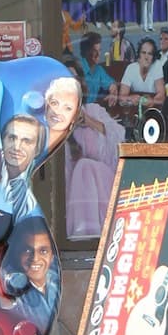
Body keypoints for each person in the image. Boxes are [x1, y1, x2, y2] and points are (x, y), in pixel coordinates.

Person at [65, 101, 125, 239]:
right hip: (75, 186)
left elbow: (118, 135)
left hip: (103, 178)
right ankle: (83, 231)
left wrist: (88, 121)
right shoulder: (59, 121)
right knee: (82, 167)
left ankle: (88, 231)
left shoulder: (93, 110)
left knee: (85, 166)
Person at [0, 216, 60, 330]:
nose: (35, 258)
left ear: (52, 255)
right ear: (16, 253)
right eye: (27, 250)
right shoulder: (8, 287)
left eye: (43, 251)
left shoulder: (56, 280)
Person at [0, 113, 46, 218]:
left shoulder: (30, 200)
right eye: (12, 138)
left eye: (27, 141)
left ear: (37, 150)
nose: (17, 147)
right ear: (2, 140)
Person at [119, 36, 166, 111]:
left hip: (152, 109)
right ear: (139, 55)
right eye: (143, 53)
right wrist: (130, 98)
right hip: (134, 109)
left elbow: (161, 95)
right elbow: (122, 96)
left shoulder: (157, 65)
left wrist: (153, 101)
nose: (146, 57)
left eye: (150, 54)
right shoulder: (131, 68)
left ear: (153, 57)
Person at [42, 72, 83, 152]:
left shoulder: (75, 148)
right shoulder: (29, 138)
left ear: (75, 115)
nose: (58, 111)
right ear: (46, 106)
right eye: (54, 103)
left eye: (68, 108)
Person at [78, 33, 117, 107]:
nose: (98, 54)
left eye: (99, 50)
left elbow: (112, 85)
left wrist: (113, 93)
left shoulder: (99, 70)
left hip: (91, 109)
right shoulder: (77, 68)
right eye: (94, 51)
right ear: (86, 52)